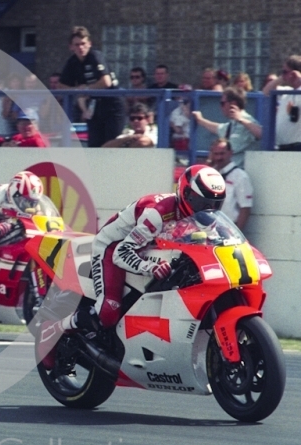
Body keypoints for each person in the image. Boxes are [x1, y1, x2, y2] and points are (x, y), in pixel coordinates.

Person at [71, 165, 225, 331]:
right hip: (113, 246)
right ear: (186, 194)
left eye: (215, 205)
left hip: (147, 245)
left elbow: (214, 241)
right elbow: (121, 253)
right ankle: (60, 327)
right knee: (109, 311)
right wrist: (150, 267)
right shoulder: (157, 213)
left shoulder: (206, 216)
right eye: (203, 203)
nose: (208, 210)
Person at [58, 26, 126, 147]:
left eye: (83, 43)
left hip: (112, 105)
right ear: (71, 47)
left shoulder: (95, 56)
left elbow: (106, 82)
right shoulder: (72, 62)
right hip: (94, 106)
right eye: (77, 44)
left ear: (89, 43)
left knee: (112, 145)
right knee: (94, 146)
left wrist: (87, 89)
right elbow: (60, 86)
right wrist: (76, 90)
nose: (81, 47)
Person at [192, 87, 261, 166]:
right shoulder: (232, 123)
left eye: (222, 103)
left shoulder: (248, 121)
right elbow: (218, 128)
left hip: (240, 172)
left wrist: (241, 119)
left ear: (233, 104)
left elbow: (262, 134)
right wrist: (200, 120)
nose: (221, 107)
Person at [207, 139, 253, 229]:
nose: (218, 158)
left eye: (222, 153)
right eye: (215, 154)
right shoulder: (208, 174)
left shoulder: (240, 176)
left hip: (229, 228)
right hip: (209, 227)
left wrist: (237, 234)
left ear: (230, 153)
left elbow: (245, 208)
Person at [263, 55, 301, 151]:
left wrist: (299, 77)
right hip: (282, 146)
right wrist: (281, 78)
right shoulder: (286, 92)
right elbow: (266, 91)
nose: (283, 74)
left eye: (285, 72)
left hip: (297, 146)